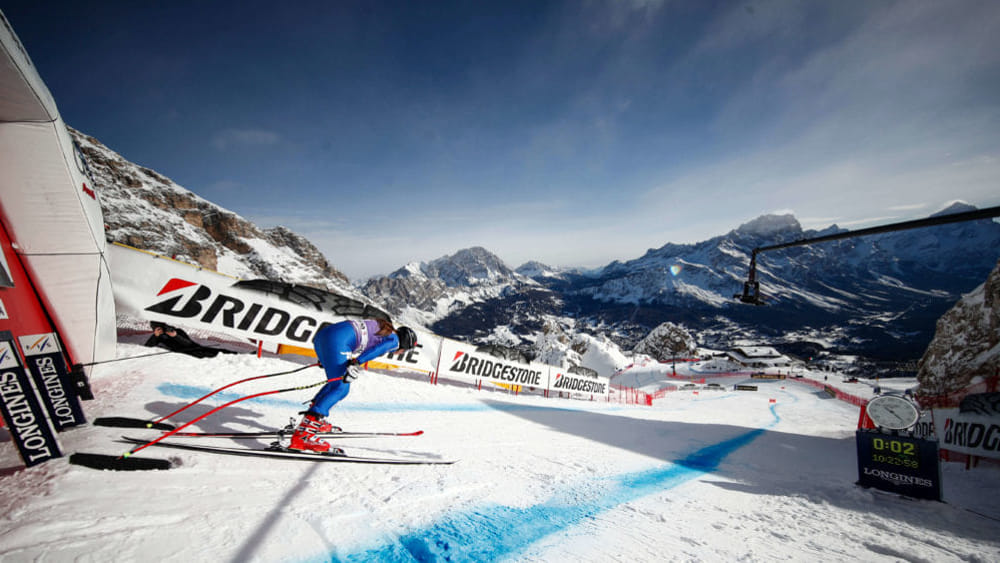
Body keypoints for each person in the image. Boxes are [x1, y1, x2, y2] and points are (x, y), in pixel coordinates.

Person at [289, 318, 418, 452]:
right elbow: (377, 350)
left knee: (335, 384)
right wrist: (356, 362)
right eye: (405, 350)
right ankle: (304, 435)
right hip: (337, 342)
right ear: (404, 343)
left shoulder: (385, 328)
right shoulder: (394, 340)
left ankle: (314, 421)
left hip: (324, 336)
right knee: (341, 388)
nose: (402, 352)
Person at [144, 321, 233, 358]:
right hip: (181, 354)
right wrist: (155, 336)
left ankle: (235, 354)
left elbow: (188, 344)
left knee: (218, 352)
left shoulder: (178, 331)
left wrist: (175, 335)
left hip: (194, 349)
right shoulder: (158, 337)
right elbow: (147, 346)